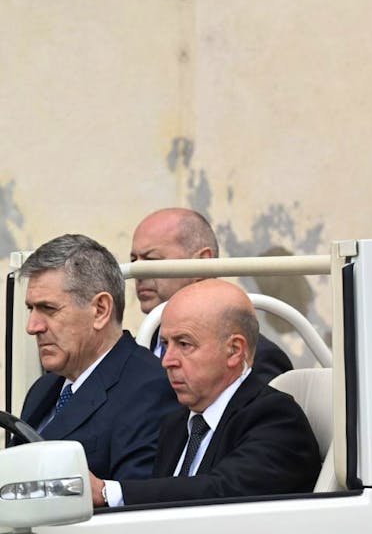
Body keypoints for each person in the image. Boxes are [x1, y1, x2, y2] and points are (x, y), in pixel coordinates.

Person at [90, 279, 321, 507]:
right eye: (165, 344)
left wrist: (108, 492)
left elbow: (222, 492)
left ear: (234, 351)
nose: (167, 361)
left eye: (184, 344)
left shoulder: (275, 418)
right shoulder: (177, 423)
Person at [17, 234, 181, 480]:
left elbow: (135, 505)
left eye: (49, 309)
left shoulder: (150, 388)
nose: (33, 326)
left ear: (101, 310)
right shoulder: (44, 388)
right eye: (32, 309)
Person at [130, 208, 293, 383]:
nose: (138, 272)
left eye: (152, 260)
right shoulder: (141, 346)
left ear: (203, 263)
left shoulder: (255, 358)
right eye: (133, 261)